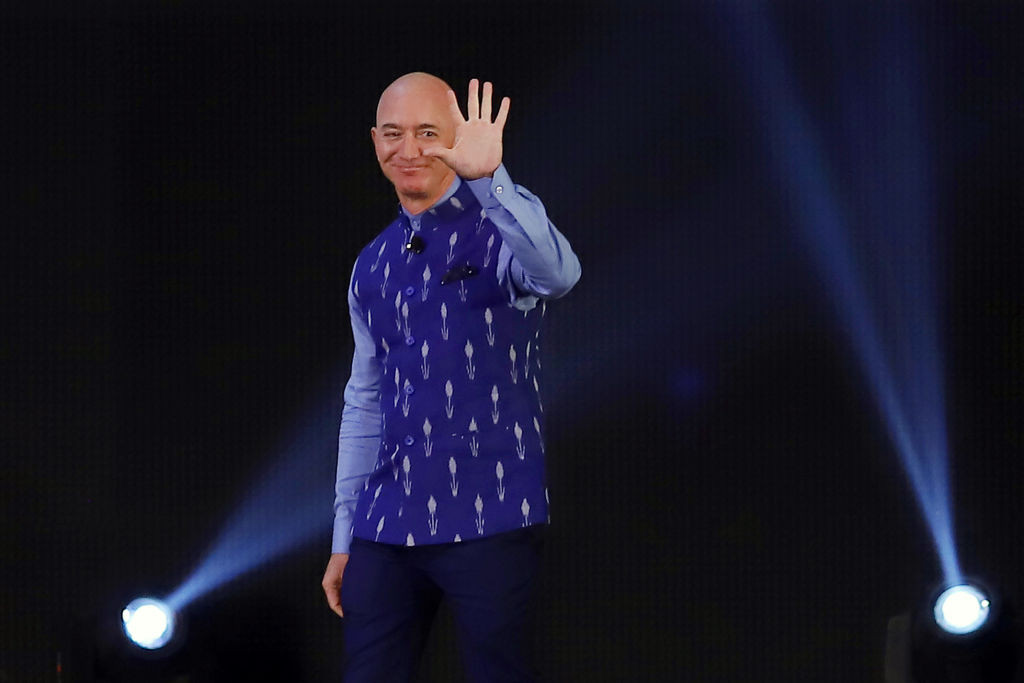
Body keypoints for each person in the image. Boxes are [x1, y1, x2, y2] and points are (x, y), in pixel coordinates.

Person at [321, 72, 581, 683]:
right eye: (393, 134)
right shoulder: (372, 263)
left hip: (493, 516)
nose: (409, 149)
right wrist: (344, 535)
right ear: (375, 141)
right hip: (386, 523)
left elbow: (558, 275)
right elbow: (365, 401)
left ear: (456, 137)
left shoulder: (502, 225)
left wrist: (491, 180)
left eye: (428, 133)